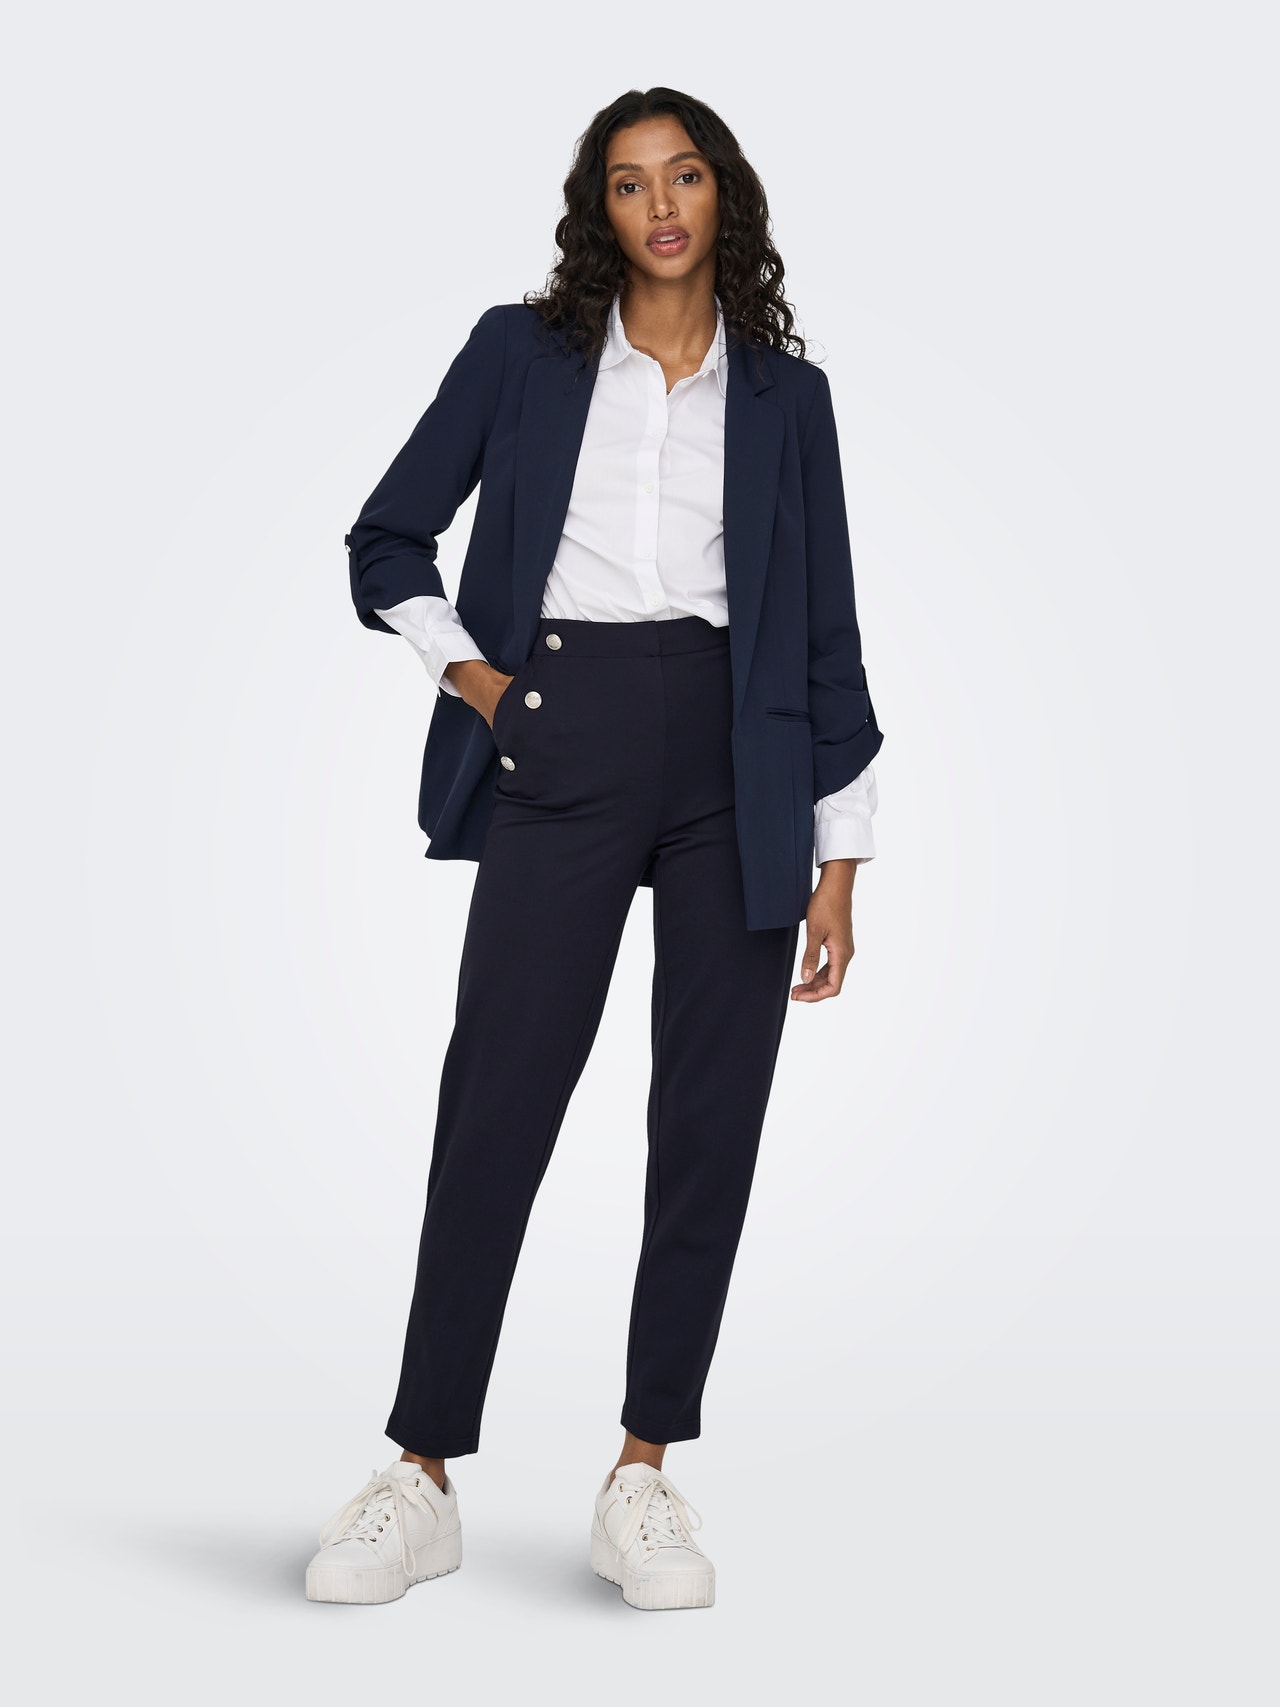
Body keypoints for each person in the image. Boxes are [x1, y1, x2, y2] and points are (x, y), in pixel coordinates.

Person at [307, 85, 884, 1612]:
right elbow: (386, 540)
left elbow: (826, 632)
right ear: (601, 213)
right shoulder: (524, 354)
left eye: (684, 176)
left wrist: (839, 856)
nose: (662, 206)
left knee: (709, 1122)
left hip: (739, 765)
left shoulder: (787, 398)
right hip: (561, 735)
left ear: (721, 195)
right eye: (631, 184)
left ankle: (644, 1469)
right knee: (496, 1103)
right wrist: (484, 685)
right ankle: (422, 1473)